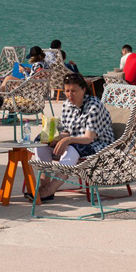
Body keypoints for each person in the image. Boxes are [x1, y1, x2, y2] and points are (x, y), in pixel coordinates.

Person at [30, 73, 114, 202]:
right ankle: (44, 185)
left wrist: (67, 140)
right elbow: (68, 131)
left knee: (72, 148)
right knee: (41, 143)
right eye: (67, 91)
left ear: (84, 89)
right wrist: (54, 137)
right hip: (75, 142)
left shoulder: (93, 106)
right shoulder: (67, 105)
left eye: (74, 91)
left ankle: (50, 190)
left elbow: (88, 138)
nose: (70, 95)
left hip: (98, 145)